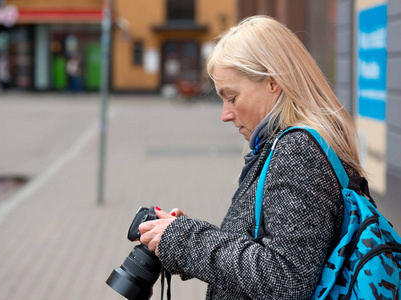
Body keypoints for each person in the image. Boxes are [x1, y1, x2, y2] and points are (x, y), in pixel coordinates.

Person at [138, 15, 365, 299]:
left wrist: (186, 239)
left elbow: (284, 280)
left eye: (231, 97)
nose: (225, 115)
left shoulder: (298, 152)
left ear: (273, 82)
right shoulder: (289, 144)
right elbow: (266, 247)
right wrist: (181, 235)